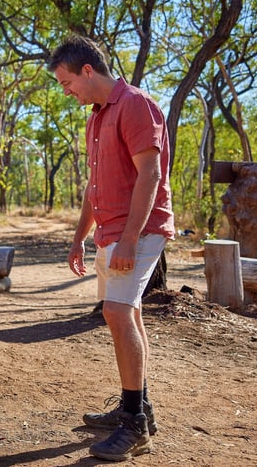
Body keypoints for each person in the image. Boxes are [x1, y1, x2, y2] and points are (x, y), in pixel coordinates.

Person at [47, 35, 175, 461]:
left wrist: (130, 239)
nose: (66, 92)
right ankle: (138, 406)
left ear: (88, 70)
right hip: (110, 231)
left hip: (135, 230)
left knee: (116, 313)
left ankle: (135, 424)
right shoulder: (96, 118)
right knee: (128, 315)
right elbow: (94, 184)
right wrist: (80, 236)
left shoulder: (135, 105)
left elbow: (150, 176)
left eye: (67, 82)